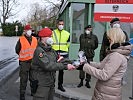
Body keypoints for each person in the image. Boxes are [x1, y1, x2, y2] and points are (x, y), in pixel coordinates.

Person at [80, 27, 132, 100]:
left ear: (115, 38)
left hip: (106, 94)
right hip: (105, 92)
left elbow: (104, 75)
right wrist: (88, 63)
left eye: (109, 38)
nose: (108, 41)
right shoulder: (115, 53)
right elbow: (102, 65)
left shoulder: (116, 56)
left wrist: (84, 66)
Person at [30, 27, 75, 100]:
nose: (51, 38)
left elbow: (60, 59)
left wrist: (73, 62)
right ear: (43, 37)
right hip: (42, 84)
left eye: (51, 36)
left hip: (50, 83)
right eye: (49, 36)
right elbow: (48, 66)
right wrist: (66, 67)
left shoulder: (51, 50)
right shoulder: (39, 51)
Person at [15, 24, 38, 100]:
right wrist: (23, 56)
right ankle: (22, 95)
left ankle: (33, 92)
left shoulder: (35, 39)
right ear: (24, 31)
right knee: (23, 79)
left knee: (33, 78)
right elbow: (17, 50)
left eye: (30, 30)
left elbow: (37, 50)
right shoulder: (21, 39)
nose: (29, 31)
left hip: (33, 62)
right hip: (24, 62)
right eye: (28, 30)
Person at [52, 19, 70, 92]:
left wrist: (64, 49)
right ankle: (52, 85)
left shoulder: (67, 33)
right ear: (57, 25)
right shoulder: (52, 33)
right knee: (53, 71)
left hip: (63, 55)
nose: (61, 26)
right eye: (60, 24)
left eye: (62, 24)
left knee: (61, 71)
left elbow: (68, 43)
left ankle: (60, 85)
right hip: (54, 54)